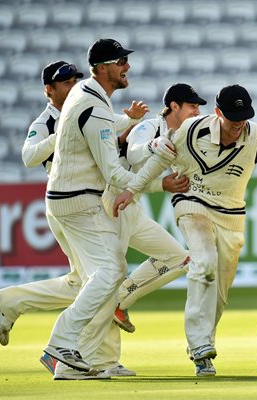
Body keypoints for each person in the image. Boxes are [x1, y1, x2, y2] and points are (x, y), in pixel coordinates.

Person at [113, 84, 257, 377]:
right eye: (232, 120)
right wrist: (131, 189)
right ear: (218, 113)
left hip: (232, 217)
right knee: (202, 262)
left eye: (243, 118)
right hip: (192, 205)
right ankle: (199, 347)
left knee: (218, 292)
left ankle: (203, 347)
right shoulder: (191, 130)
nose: (237, 127)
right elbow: (157, 162)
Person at [40, 38, 176, 379]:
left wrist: (128, 123)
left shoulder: (87, 96)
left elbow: (105, 131)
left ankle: (74, 360)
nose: (126, 66)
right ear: (102, 68)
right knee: (110, 274)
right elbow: (113, 171)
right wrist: (158, 161)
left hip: (72, 197)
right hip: (78, 200)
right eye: (119, 61)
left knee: (103, 274)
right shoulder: (93, 104)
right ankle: (61, 344)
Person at [111, 83, 208, 333]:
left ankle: (119, 300)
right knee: (107, 277)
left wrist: (163, 184)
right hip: (113, 205)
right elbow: (132, 155)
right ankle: (88, 351)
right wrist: (154, 145)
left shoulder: (182, 134)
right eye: (192, 106)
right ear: (174, 106)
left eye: (198, 107)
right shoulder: (149, 126)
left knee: (179, 257)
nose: (196, 112)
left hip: (132, 206)